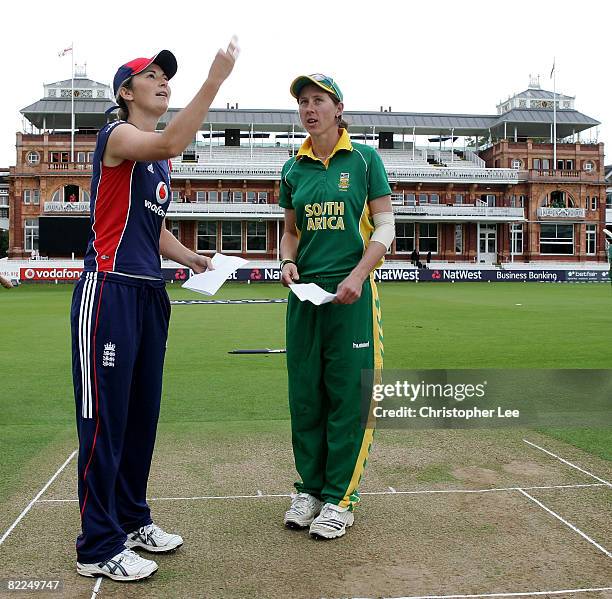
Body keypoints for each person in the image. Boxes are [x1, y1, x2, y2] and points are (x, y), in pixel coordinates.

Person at [71, 41, 238, 582]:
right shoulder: (117, 136)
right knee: (105, 422)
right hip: (109, 293)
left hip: (148, 294)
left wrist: (190, 257)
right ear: (127, 92)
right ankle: (97, 545)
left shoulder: (158, 161)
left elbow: (152, 227)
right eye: (154, 76)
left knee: (142, 417)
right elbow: (171, 135)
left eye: (170, 76)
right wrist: (213, 81)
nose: (165, 81)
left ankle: (132, 518)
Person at [279, 74, 394, 540]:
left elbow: (385, 229)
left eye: (318, 100)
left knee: (349, 397)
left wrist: (357, 275)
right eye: (303, 102)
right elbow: (291, 231)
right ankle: (309, 489)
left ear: (338, 108)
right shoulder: (292, 168)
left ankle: (340, 498)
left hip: (352, 294)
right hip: (305, 297)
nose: (310, 109)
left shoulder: (365, 159)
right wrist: (286, 261)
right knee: (306, 396)